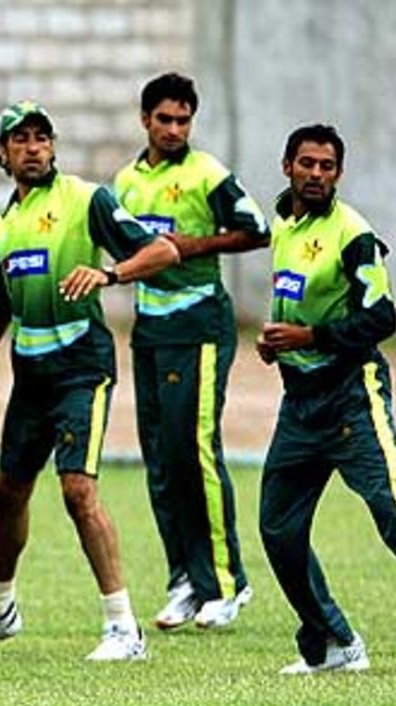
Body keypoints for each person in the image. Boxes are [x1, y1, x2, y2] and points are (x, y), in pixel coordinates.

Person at [0, 101, 180, 662]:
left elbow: (162, 250)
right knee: (7, 491)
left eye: (41, 137)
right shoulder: (3, 226)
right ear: (2, 153)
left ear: (53, 146)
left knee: (77, 489)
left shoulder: (86, 198)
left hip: (82, 368)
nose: (32, 146)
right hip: (32, 379)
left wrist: (110, 272)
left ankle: (124, 629)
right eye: (19, 139)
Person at [257, 123, 396, 674]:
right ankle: (333, 641)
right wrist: (278, 345)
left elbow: (382, 316)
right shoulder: (284, 222)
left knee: (390, 506)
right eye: (307, 163)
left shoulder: (353, 234)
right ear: (287, 165)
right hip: (300, 404)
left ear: (338, 173)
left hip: (352, 395)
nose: (316, 174)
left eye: (327, 166)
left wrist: (311, 339)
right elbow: (301, 302)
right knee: (278, 528)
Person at [113, 72, 269, 630]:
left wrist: (192, 247)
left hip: (200, 325)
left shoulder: (208, 174)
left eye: (184, 120)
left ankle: (226, 584)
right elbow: (121, 249)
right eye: (165, 120)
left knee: (195, 450)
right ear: (145, 120)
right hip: (150, 331)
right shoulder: (126, 181)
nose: (175, 129)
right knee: (159, 458)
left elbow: (257, 231)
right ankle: (184, 578)